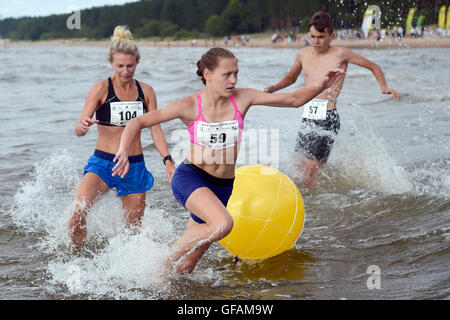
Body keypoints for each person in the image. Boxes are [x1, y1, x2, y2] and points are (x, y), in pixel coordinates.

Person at [111, 47, 345, 274]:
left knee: (188, 266)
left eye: (236, 73)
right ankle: (161, 263)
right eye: (227, 74)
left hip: (223, 187)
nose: (233, 80)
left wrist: (321, 86)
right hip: (191, 177)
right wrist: (123, 150)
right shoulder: (190, 105)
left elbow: (293, 100)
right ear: (207, 75)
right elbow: (137, 123)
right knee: (223, 224)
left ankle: (166, 285)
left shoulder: (242, 98)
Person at [264, 11, 401, 189]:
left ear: (332, 36)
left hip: (328, 119)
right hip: (308, 118)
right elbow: (291, 78)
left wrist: (384, 87)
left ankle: (315, 206)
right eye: (313, 36)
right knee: (298, 169)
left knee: (309, 175)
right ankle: (323, 194)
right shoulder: (303, 54)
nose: (316, 41)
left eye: (321, 37)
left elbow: (373, 66)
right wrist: (273, 89)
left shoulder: (340, 54)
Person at [68, 26, 176, 245]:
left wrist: (167, 160)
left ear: (137, 63)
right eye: (120, 66)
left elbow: (155, 129)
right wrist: (83, 125)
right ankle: (77, 258)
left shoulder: (146, 91)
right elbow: (78, 131)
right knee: (77, 215)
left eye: (130, 65)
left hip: (134, 166)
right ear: (111, 64)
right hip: (103, 163)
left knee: (132, 235)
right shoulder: (100, 89)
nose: (125, 71)